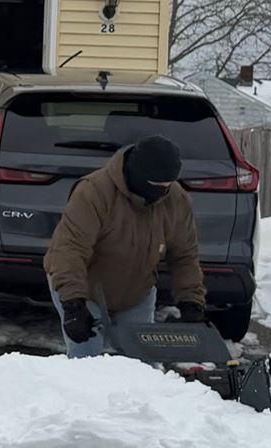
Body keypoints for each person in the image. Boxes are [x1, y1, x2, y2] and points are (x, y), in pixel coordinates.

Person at [43, 136, 206, 358]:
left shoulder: (176, 199)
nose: (162, 192)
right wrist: (73, 305)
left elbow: (185, 255)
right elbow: (69, 249)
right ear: (138, 175)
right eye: (156, 185)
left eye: (167, 186)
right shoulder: (94, 192)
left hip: (136, 294)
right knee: (86, 357)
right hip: (86, 289)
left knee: (143, 362)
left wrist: (191, 302)